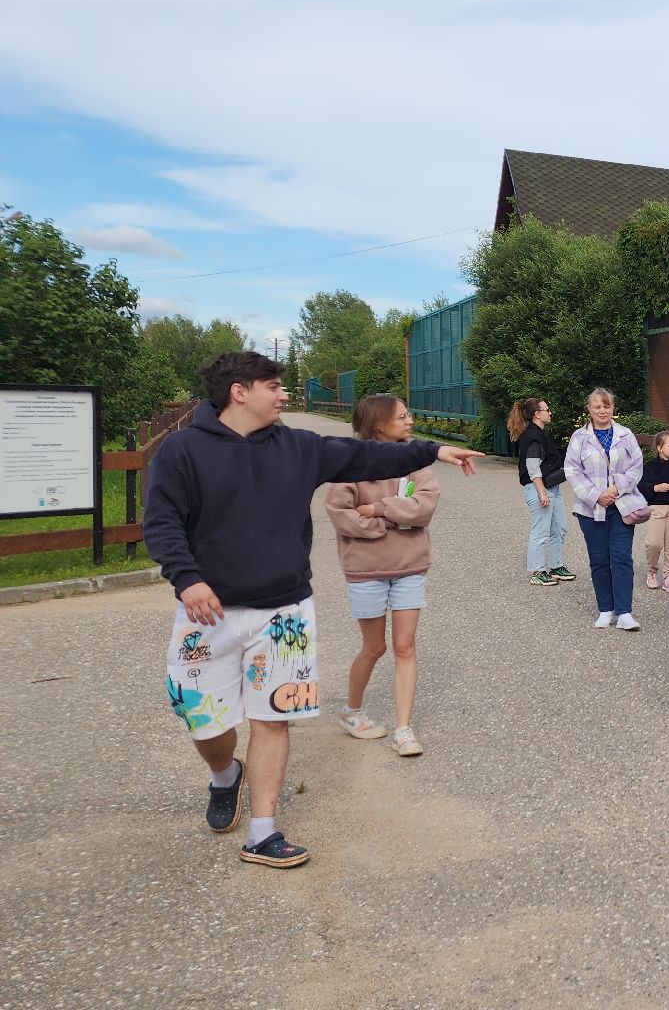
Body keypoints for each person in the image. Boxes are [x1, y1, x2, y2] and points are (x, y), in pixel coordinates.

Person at [146, 351, 482, 868]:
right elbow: (162, 523)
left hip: (285, 610)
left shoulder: (299, 447)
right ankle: (224, 775)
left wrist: (435, 451)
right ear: (240, 391)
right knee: (204, 723)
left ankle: (263, 831)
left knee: (273, 719)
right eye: (274, 385)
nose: (284, 395)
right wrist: (187, 580)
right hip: (207, 613)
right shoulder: (184, 451)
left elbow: (369, 457)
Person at [325, 393, 439, 758]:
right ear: (380, 424)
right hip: (366, 569)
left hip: (410, 566)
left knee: (405, 647)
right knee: (374, 647)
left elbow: (425, 505)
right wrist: (392, 523)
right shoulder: (349, 463)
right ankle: (351, 712)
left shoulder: (414, 459)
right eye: (403, 416)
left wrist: (378, 511)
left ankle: (403, 729)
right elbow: (341, 514)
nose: (410, 420)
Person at [563, 388, 646, 631]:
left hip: (622, 507)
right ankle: (605, 609)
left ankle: (625, 612)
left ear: (613, 409)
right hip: (591, 509)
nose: (602, 411)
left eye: (607, 406)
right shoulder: (579, 437)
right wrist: (596, 495)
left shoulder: (625, 435)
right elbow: (572, 470)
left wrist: (616, 489)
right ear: (589, 409)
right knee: (599, 559)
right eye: (597, 406)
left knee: (621, 557)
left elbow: (637, 466)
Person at [508, 396, 573, 587]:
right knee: (540, 531)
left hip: (552, 488)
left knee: (559, 528)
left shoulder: (541, 434)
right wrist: (542, 493)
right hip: (539, 489)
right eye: (547, 409)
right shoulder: (532, 436)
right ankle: (537, 571)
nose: (550, 412)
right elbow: (532, 467)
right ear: (537, 414)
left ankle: (556, 566)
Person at [641, 431, 669, 592]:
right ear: (660, 448)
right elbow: (642, 486)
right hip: (656, 508)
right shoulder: (651, 466)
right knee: (654, 543)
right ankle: (651, 571)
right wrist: (655, 488)